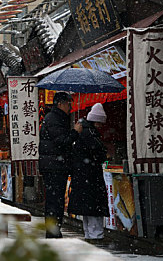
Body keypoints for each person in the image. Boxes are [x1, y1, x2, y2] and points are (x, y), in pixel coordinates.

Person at [39, 91, 83, 238]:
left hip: (54, 166)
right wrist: (75, 132)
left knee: (55, 201)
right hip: (54, 167)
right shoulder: (54, 119)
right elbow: (62, 141)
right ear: (60, 104)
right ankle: (53, 233)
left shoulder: (55, 118)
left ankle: (53, 231)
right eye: (67, 103)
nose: (70, 106)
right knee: (55, 201)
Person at [68, 103, 109, 241]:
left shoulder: (82, 132)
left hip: (81, 176)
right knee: (94, 209)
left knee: (87, 209)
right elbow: (100, 153)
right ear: (96, 121)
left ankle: (88, 235)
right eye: (100, 123)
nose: (101, 126)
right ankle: (96, 237)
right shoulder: (90, 134)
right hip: (90, 176)